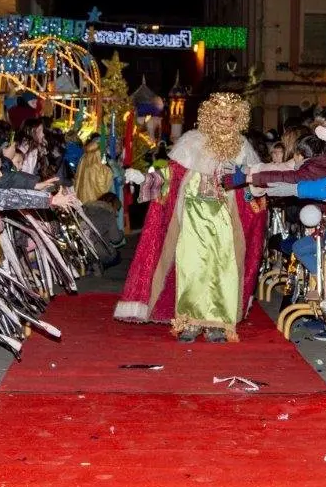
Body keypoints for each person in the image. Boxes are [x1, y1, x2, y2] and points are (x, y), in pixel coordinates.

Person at [114, 92, 266, 343]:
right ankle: (190, 321)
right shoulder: (191, 142)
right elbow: (170, 176)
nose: (225, 123)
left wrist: (256, 192)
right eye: (220, 117)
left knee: (222, 270)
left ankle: (217, 322)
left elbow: (249, 188)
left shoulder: (242, 148)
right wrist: (145, 179)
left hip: (224, 221)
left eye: (230, 118)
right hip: (192, 220)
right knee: (191, 268)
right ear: (210, 118)